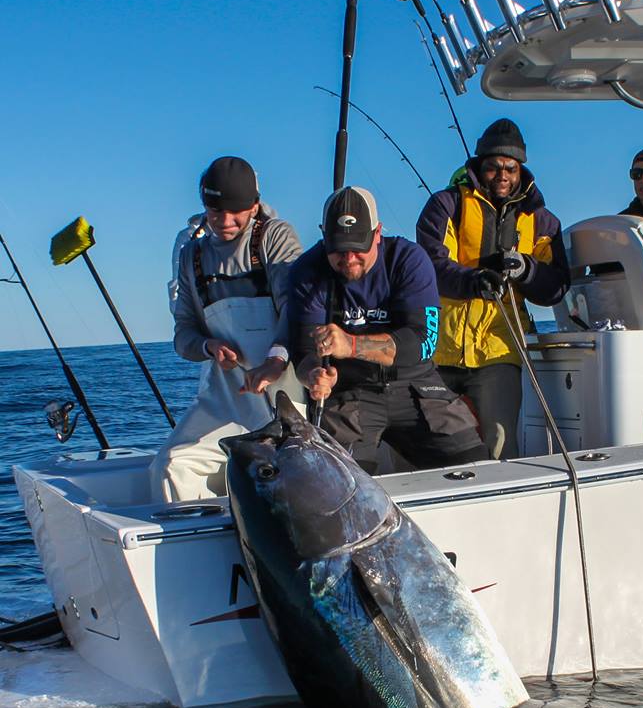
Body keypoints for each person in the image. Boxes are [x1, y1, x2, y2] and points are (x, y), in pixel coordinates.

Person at [288, 185, 487, 475]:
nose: (348, 258)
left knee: (477, 469)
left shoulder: (409, 260)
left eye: (358, 247)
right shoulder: (306, 272)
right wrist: (314, 376)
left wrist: (352, 346)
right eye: (338, 250)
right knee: (339, 482)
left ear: (378, 233)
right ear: (323, 235)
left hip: (416, 385)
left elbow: (423, 342)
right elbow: (303, 352)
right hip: (350, 392)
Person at [150, 156, 303, 502]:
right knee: (171, 466)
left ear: (254, 204)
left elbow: (298, 309)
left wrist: (276, 359)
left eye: (237, 211)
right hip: (224, 399)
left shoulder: (275, 237)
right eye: (215, 210)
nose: (225, 221)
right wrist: (208, 346)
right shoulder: (193, 255)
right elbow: (183, 334)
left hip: (286, 395)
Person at [416, 118, 569, 459]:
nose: (502, 175)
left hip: (499, 350)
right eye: (493, 167)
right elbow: (431, 266)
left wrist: (527, 270)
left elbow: (557, 287)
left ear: (521, 171)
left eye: (510, 168)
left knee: (500, 442)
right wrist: (475, 280)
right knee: (431, 444)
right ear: (478, 167)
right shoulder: (446, 205)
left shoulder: (542, 220)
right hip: (441, 347)